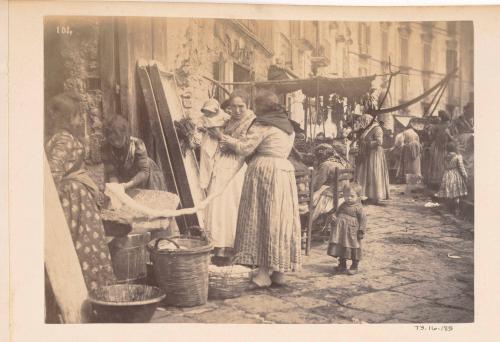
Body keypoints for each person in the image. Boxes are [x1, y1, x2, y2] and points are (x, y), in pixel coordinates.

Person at [219, 89, 301, 287]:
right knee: (280, 219)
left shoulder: (263, 125)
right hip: (284, 171)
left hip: (265, 171)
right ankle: (279, 271)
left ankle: (263, 273)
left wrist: (227, 140)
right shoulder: (288, 126)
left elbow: (245, 148)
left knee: (262, 218)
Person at [45, 92, 116, 291]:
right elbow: (53, 171)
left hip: (76, 196)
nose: (80, 120)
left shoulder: (62, 137)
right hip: (73, 199)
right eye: (77, 116)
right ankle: (90, 288)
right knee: (84, 243)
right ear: (67, 118)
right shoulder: (63, 140)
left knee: (85, 242)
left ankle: (91, 287)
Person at [204, 90, 256, 263]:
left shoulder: (252, 122)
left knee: (232, 204)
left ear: (247, 106)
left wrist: (220, 137)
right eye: (234, 106)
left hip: (239, 165)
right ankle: (219, 246)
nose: (237, 110)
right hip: (223, 163)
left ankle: (236, 246)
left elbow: (245, 146)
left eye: (241, 106)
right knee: (218, 204)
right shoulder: (229, 119)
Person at [102, 115, 167, 191]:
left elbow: (144, 172)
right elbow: (112, 172)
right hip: (123, 176)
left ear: (125, 134)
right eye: (112, 140)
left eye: (118, 139)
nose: (116, 143)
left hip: (143, 176)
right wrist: (115, 186)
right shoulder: (106, 148)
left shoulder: (137, 144)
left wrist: (126, 185)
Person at [327, 183, 367, 275]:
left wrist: (361, 230)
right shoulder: (343, 205)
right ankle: (342, 265)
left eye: (352, 196)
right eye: (346, 196)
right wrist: (334, 216)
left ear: (358, 196)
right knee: (341, 246)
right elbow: (336, 212)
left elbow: (363, 219)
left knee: (354, 247)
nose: (348, 198)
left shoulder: (358, 208)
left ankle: (354, 265)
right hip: (341, 232)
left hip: (352, 233)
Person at [310, 142, 352, 225]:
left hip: (331, 197)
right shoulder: (341, 163)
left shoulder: (326, 164)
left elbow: (316, 185)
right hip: (342, 194)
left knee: (311, 198)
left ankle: (311, 223)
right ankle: (320, 222)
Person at [355, 113, 390, 204]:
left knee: (374, 172)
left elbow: (379, 141)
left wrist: (367, 144)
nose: (361, 123)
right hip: (368, 153)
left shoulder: (377, 128)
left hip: (375, 154)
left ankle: (375, 196)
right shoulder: (367, 129)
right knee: (367, 173)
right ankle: (368, 195)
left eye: (363, 121)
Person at [198, 98, 230, 192]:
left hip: (220, 140)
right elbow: (199, 125)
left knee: (218, 163)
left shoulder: (224, 116)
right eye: (206, 111)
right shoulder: (203, 118)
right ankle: (205, 183)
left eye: (210, 112)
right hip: (208, 140)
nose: (208, 114)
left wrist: (220, 127)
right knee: (206, 159)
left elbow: (228, 123)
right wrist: (203, 129)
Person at [436, 142, 468, 216]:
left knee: (448, 192)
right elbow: (461, 168)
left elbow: (443, 167)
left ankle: (447, 209)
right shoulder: (458, 156)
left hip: (447, 175)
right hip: (455, 174)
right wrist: (465, 175)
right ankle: (456, 210)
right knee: (456, 193)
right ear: (455, 148)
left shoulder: (445, 156)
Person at [427, 110, 455, 188]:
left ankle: (437, 181)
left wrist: (430, 133)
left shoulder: (436, 126)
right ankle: (445, 181)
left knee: (437, 163)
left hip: (437, 147)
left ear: (441, 117)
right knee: (444, 163)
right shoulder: (449, 125)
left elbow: (431, 137)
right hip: (446, 147)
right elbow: (453, 137)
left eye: (439, 116)